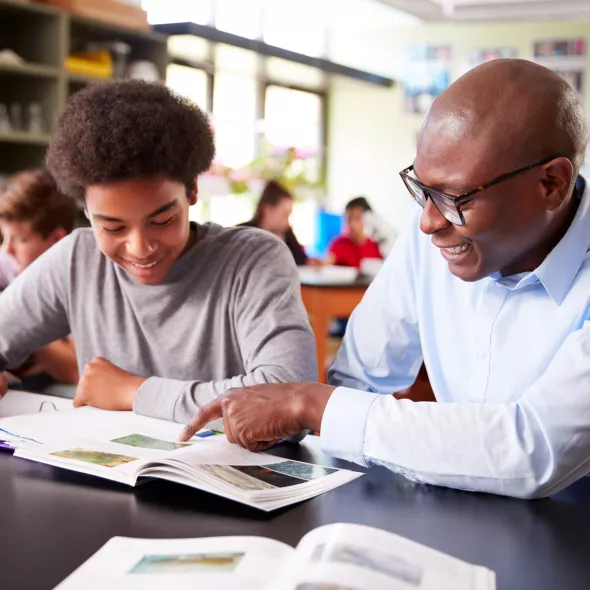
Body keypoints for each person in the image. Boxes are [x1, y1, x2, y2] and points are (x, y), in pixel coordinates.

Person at [180, 59, 590, 500]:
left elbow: (532, 449)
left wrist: (310, 404)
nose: (428, 222)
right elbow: (356, 379)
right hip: (454, 513)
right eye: (422, 189)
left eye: (453, 198)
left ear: (551, 184)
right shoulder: (432, 245)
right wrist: (287, 423)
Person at [0, 80, 317, 423]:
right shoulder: (77, 260)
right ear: (86, 211)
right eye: (113, 228)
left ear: (192, 189)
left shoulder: (254, 260)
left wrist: (134, 392)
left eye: (163, 220)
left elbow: (292, 397)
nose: (141, 247)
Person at [0, 170, 79, 387]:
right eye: (4, 237)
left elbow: (74, 370)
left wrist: (20, 321)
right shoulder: (6, 262)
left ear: (57, 239)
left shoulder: (79, 282)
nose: (7, 249)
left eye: (20, 239)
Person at [240, 180, 309, 266]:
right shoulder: (242, 235)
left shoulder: (287, 235)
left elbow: (301, 259)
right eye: (285, 214)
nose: (287, 221)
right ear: (267, 210)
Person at [327, 197, 383, 269]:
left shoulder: (375, 246)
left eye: (357, 218)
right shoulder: (339, 244)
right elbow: (327, 262)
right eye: (349, 219)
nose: (352, 224)